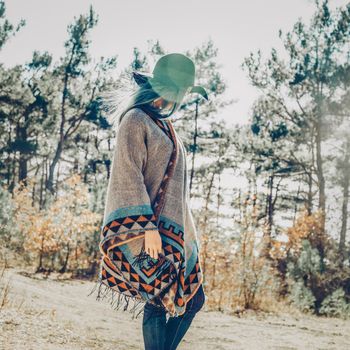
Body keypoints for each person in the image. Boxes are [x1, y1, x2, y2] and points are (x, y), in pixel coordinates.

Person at [97, 53, 209, 350]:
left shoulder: (165, 126)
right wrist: (145, 227)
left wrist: (188, 236)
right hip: (149, 230)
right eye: (181, 91)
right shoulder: (135, 120)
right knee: (158, 302)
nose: (181, 98)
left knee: (194, 298)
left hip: (175, 231)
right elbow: (127, 174)